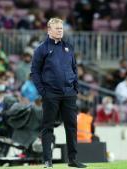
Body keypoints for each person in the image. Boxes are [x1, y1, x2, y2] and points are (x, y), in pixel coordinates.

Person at [31, 18, 86, 168]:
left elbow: (74, 68)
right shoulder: (41, 49)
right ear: (49, 30)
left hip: (69, 93)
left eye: (61, 28)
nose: (60, 30)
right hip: (51, 94)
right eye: (57, 28)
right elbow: (34, 72)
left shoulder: (68, 47)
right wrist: (43, 91)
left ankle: (73, 159)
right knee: (47, 126)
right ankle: (48, 160)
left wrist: (75, 88)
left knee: (71, 126)